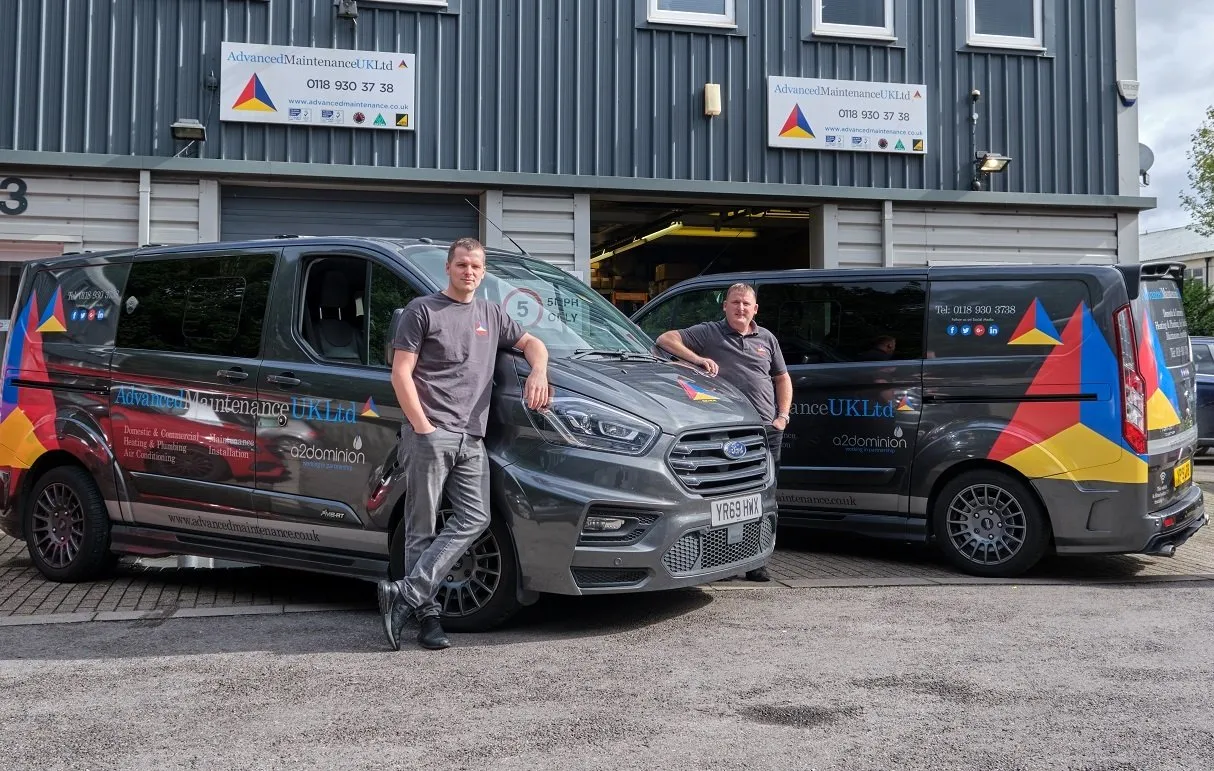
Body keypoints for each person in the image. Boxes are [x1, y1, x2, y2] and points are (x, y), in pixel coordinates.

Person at [377, 237, 551, 651]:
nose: (468, 272)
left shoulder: (491, 313)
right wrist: (423, 427)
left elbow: (532, 343)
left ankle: (406, 592)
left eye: (475, 266)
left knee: (474, 517)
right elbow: (401, 373)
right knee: (421, 526)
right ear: (448, 268)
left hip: (472, 437)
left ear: (483, 272)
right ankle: (428, 619)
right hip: (430, 434)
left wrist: (538, 372)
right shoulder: (423, 311)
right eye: (461, 265)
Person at [655, 282, 792, 582]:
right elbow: (666, 339)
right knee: (726, 498)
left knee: (762, 497)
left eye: (746, 304)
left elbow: (782, 378)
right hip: (726, 434)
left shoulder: (767, 339)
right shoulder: (709, 333)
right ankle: (723, 559)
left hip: (766, 431)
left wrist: (782, 416)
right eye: (735, 303)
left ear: (755, 309)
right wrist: (698, 359)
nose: (740, 308)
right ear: (725, 306)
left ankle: (756, 561)